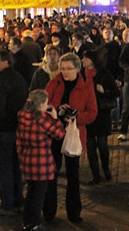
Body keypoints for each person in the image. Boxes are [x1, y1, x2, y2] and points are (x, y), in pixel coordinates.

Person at [44, 52, 97, 224]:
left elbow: (92, 113)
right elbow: (44, 106)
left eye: (69, 69)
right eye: (63, 68)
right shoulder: (54, 83)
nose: (65, 72)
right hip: (54, 133)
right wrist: (57, 110)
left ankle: (73, 212)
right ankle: (49, 211)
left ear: (77, 69)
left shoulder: (86, 87)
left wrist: (76, 117)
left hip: (74, 134)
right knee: (51, 173)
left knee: (73, 176)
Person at [0, 50, 28, 212]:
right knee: (15, 165)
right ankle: (17, 197)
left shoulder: (1, 81)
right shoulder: (17, 78)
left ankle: (7, 201)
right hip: (18, 128)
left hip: (4, 130)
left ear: (6, 62)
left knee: (5, 167)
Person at [16, 89, 66, 231]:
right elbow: (59, 134)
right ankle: (35, 224)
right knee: (38, 196)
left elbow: (19, 142)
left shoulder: (23, 118)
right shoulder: (43, 120)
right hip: (41, 163)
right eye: (45, 103)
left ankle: (27, 222)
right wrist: (55, 118)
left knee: (31, 193)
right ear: (41, 105)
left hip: (28, 161)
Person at [81, 49, 119, 185]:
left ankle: (106, 169)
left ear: (92, 60)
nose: (82, 60)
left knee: (102, 145)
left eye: (85, 58)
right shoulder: (81, 75)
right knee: (90, 146)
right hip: (87, 113)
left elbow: (115, 92)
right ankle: (96, 174)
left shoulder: (104, 74)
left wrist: (104, 91)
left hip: (101, 113)